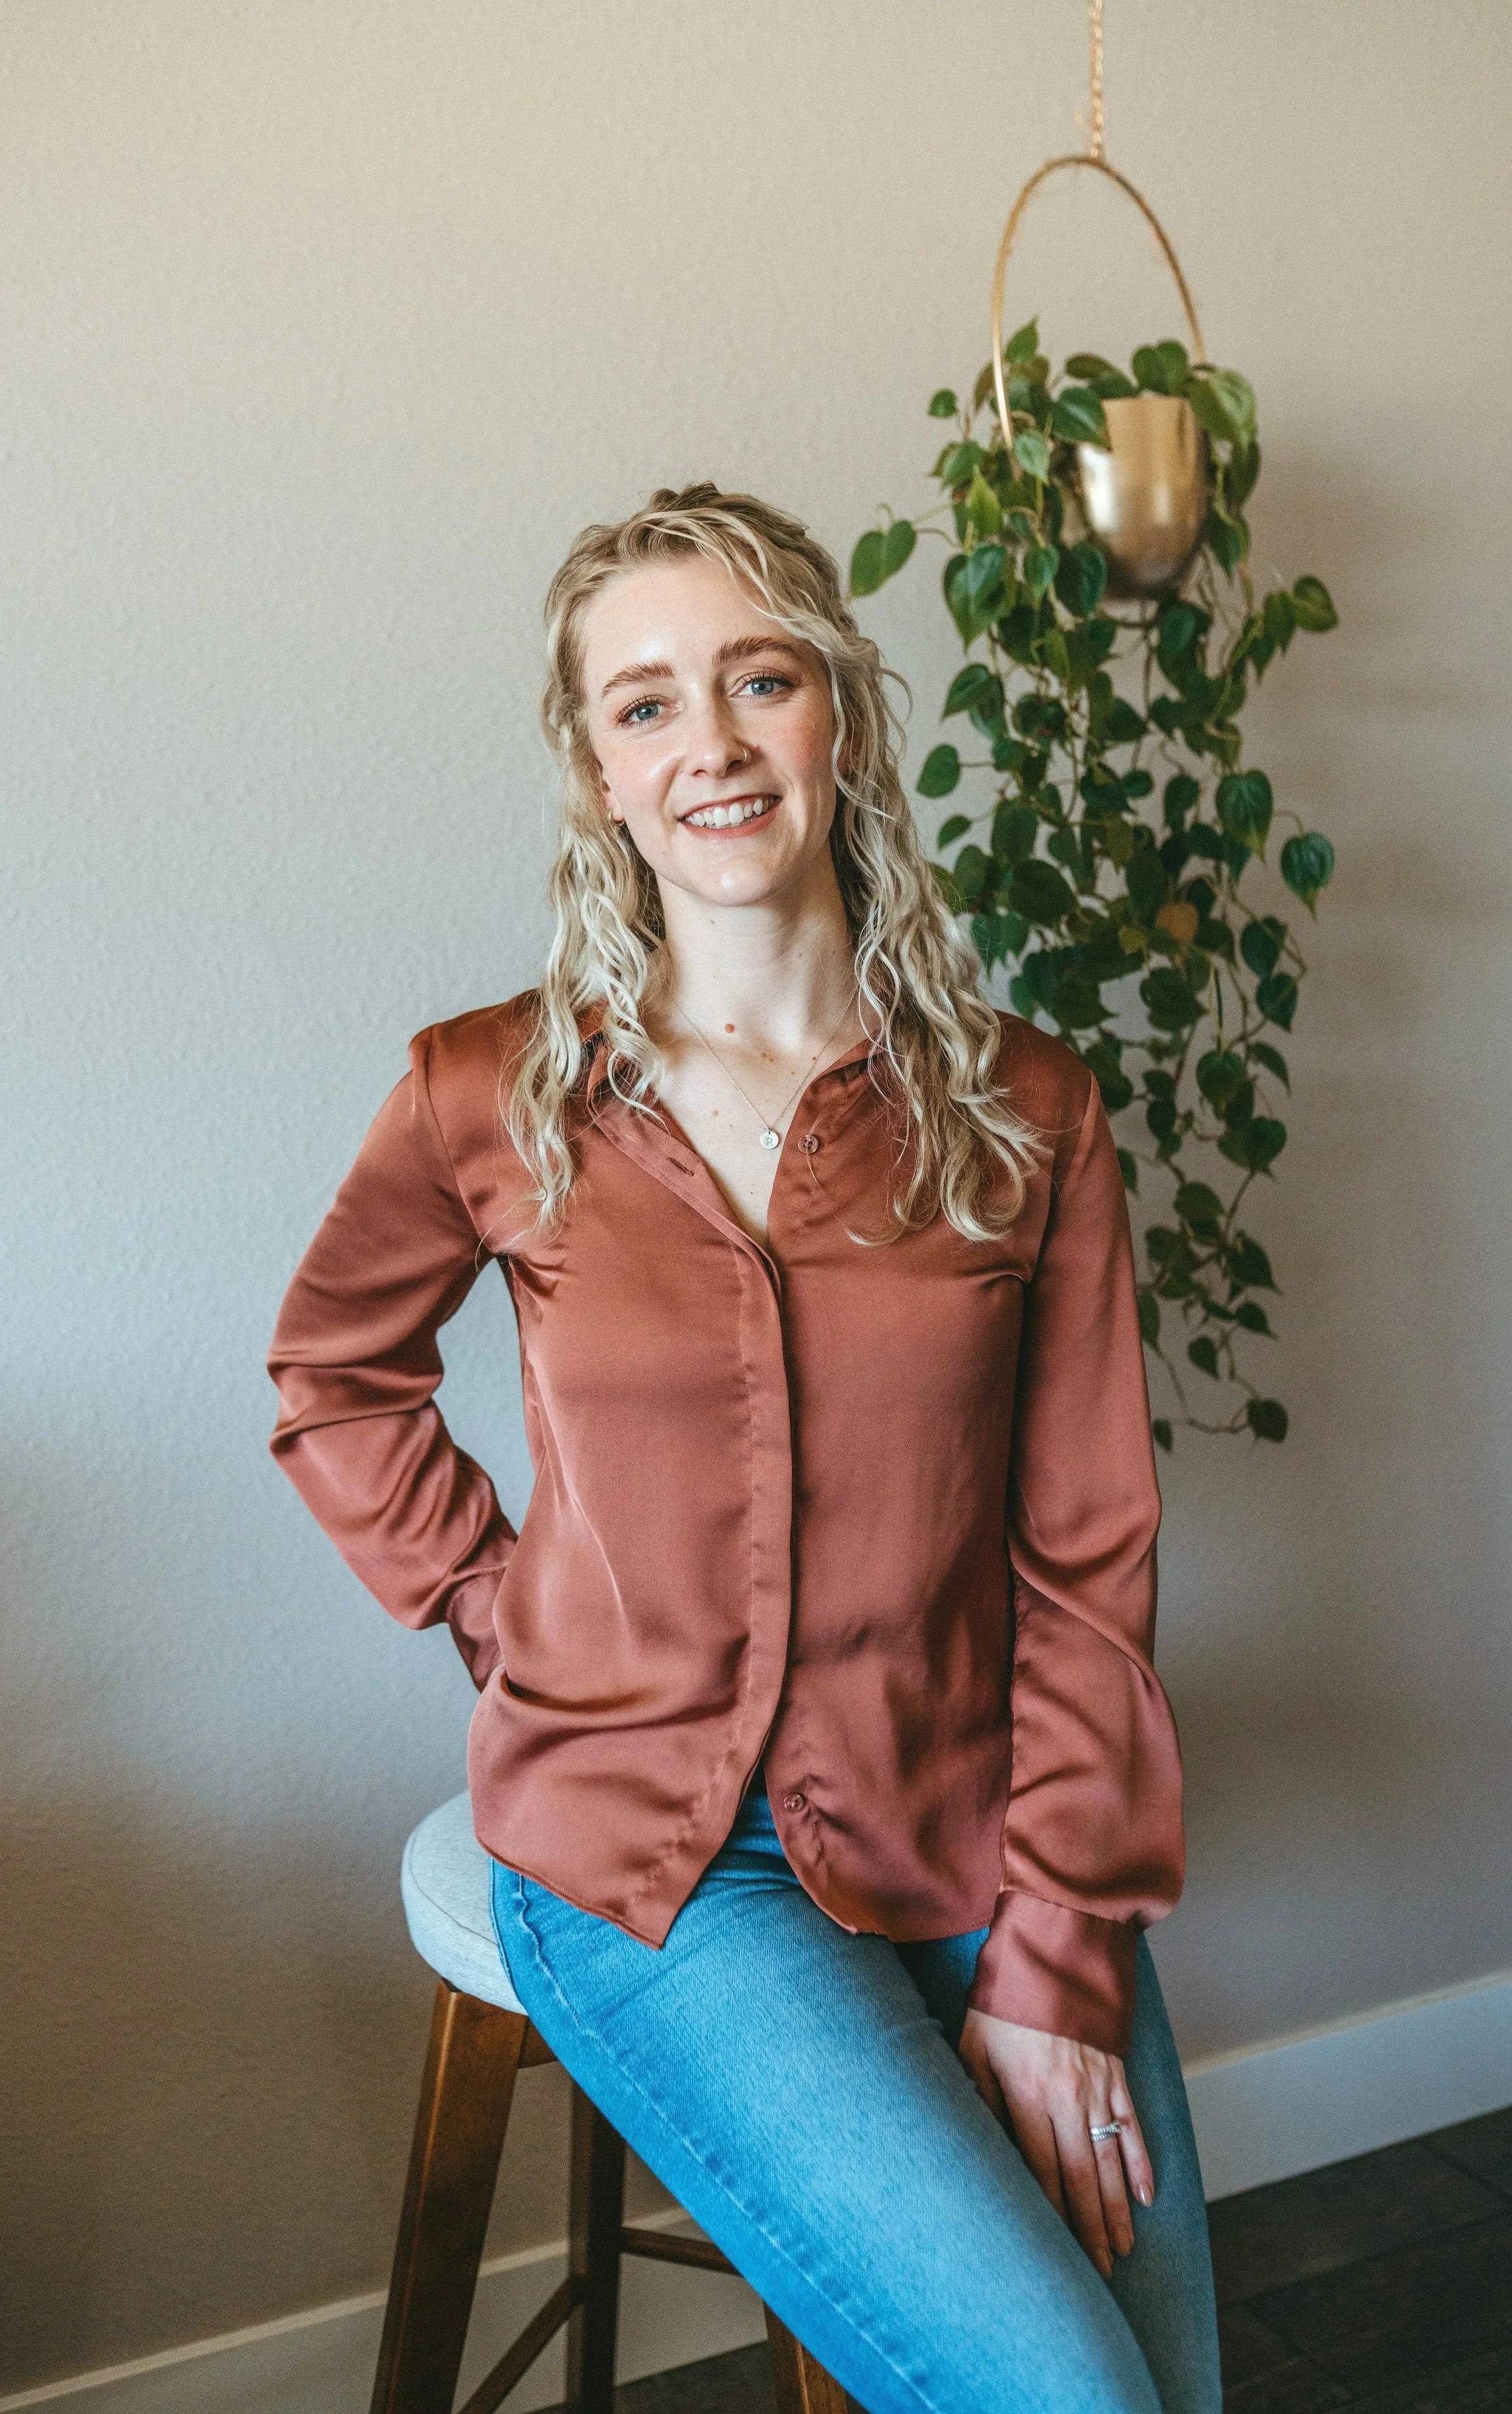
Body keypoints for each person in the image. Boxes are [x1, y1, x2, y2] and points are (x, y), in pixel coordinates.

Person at [267, 484, 1224, 2414]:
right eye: (641, 705)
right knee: (1076, 2397)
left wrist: (1054, 1962)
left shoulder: (1029, 1109)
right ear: (595, 777)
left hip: (972, 1815)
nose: (703, 740)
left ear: (835, 718)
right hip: (652, 1868)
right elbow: (332, 1373)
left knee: (1171, 2387)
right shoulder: (489, 1088)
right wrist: (499, 1606)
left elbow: (1084, 1555)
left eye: (755, 677)